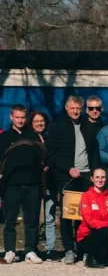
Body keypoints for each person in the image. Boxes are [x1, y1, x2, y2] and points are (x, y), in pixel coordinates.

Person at [47, 95, 100, 265]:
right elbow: (52, 154)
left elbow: (93, 151)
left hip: (85, 175)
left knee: (84, 214)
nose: (76, 111)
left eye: (78, 108)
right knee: (67, 214)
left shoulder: (87, 126)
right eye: (72, 108)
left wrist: (94, 171)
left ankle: (82, 248)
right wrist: (68, 168)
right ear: (66, 108)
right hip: (66, 176)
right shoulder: (57, 127)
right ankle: (69, 248)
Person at [0, 104, 45, 264]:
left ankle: (30, 250)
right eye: (17, 117)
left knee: (31, 220)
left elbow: (42, 157)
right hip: (11, 184)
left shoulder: (32, 136)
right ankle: (10, 251)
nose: (19, 120)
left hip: (32, 184)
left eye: (22, 117)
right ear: (11, 117)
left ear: (26, 118)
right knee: (10, 219)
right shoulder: (4, 137)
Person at [28, 110, 57, 257]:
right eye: (36, 121)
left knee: (50, 216)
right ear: (31, 124)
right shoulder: (29, 138)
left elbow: (55, 156)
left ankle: (50, 247)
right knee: (33, 216)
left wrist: (49, 165)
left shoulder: (49, 137)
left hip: (50, 182)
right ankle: (32, 247)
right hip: (34, 182)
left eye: (42, 121)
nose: (40, 123)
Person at [76, 167, 108, 268]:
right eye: (97, 177)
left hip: (106, 233)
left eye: (103, 177)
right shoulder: (86, 196)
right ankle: (91, 259)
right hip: (87, 236)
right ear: (92, 179)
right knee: (104, 231)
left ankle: (107, 256)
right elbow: (90, 222)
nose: (100, 180)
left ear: (106, 178)